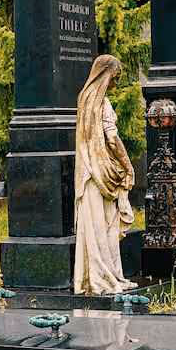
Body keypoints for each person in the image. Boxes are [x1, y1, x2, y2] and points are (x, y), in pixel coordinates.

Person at [73, 55, 137, 295]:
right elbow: (111, 138)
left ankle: (98, 276)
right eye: (114, 78)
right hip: (103, 172)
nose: (115, 84)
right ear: (105, 75)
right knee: (106, 227)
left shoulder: (84, 99)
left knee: (95, 228)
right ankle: (106, 276)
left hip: (89, 173)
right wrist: (128, 165)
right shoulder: (103, 103)